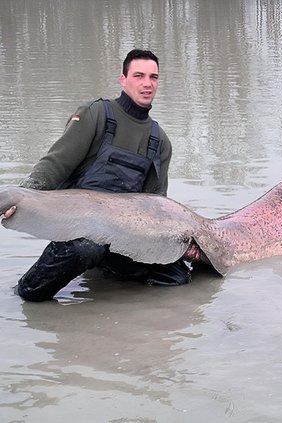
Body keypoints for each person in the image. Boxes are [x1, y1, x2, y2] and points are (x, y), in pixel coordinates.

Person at [6, 49, 191, 302]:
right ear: (123, 80)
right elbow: (55, 165)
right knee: (86, 249)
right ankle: (26, 289)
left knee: (178, 277)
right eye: (139, 75)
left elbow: (155, 207)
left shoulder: (160, 141)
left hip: (125, 236)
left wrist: (177, 244)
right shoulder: (95, 114)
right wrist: (23, 198)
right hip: (80, 231)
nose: (147, 83)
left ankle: (112, 285)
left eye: (153, 77)